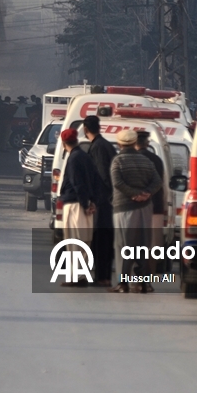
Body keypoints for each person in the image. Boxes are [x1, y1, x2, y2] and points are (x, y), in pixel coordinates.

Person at [110, 129, 163, 293]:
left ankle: (123, 283)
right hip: (145, 208)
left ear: (119, 144)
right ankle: (143, 283)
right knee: (143, 245)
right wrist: (146, 193)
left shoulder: (118, 161)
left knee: (123, 245)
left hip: (124, 207)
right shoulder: (147, 161)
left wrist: (134, 194)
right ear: (134, 143)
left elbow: (117, 182)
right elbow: (157, 181)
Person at [59, 127, 99, 287]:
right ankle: (81, 275)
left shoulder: (73, 158)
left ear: (63, 143)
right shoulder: (85, 156)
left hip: (76, 205)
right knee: (84, 241)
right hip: (85, 203)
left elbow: (77, 183)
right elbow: (94, 181)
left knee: (74, 241)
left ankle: (77, 276)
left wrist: (84, 204)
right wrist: (92, 202)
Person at [83, 116, 116, 287]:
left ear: (85, 129)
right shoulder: (105, 144)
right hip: (107, 201)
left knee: (101, 240)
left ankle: (102, 277)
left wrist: (98, 199)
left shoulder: (98, 147)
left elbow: (103, 175)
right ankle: (103, 275)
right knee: (104, 240)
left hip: (103, 202)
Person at [135, 131, 167, 251]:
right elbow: (161, 182)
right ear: (147, 143)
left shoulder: (132, 159)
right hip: (155, 207)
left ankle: (135, 269)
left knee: (135, 245)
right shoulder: (157, 160)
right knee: (153, 247)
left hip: (136, 207)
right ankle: (150, 269)